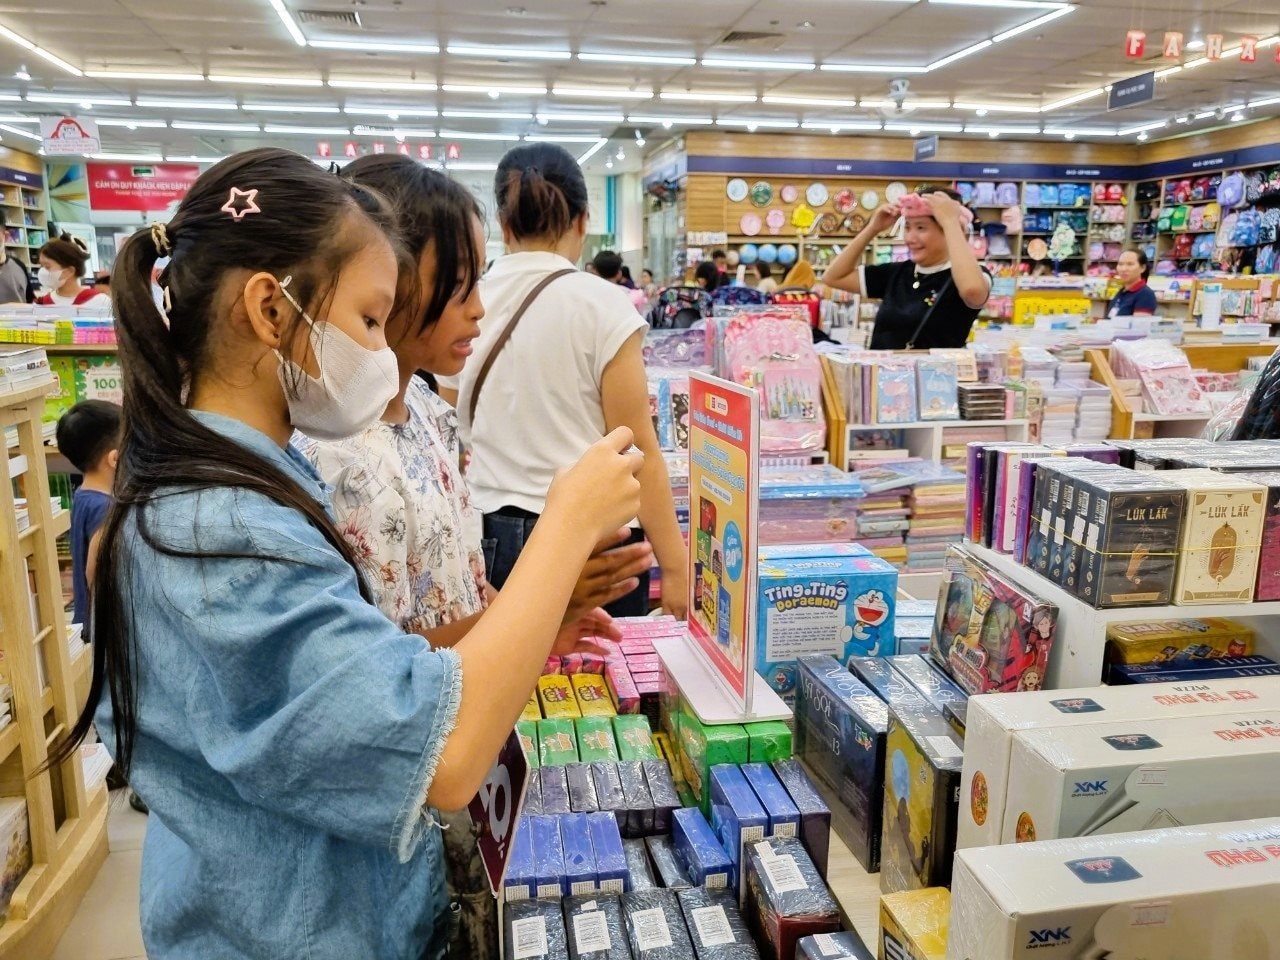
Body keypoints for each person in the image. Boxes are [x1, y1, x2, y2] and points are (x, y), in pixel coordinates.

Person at [56, 147, 643, 959]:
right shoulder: (224, 530)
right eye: (369, 321)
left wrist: (533, 623)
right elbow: (443, 756)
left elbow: (364, 673)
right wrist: (566, 524)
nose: (378, 352)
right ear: (269, 310)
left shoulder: (242, 481)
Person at [299, 155, 652, 958]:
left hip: (460, 792)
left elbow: (454, 594)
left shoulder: (422, 407)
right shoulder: (335, 455)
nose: (479, 310)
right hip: (407, 807)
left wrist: (538, 621)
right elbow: (375, 675)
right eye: (459, 288)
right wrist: (547, 572)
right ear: (386, 287)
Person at [438, 142, 687, 619]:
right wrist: (675, 569)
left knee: (510, 681)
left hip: (492, 529)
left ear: (504, 225)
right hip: (596, 531)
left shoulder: (466, 303)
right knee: (599, 683)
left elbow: (448, 430)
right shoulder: (605, 306)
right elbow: (638, 449)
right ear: (582, 220)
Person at [821, 187, 990, 350]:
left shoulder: (972, 276)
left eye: (921, 228)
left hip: (935, 379)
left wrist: (952, 222)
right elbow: (834, 277)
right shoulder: (898, 273)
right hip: (882, 377)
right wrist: (873, 228)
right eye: (908, 227)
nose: (910, 238)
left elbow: (972, 291)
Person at [55, 400, 119, 630]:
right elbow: (95, 567)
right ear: (115, 459)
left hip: (88, 620)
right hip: (105, 626)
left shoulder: (83, 495)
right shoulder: (106, 508)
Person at [36, 234, 110, 307]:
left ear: (70, 271)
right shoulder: (42, 303)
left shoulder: (100, 302)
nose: (42, 271)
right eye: (41, 266)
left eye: (47, 266)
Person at [1107, 249, 1158, 317]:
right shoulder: (1121, 291)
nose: (1123, 269)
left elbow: (1139, 325)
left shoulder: (1145, 294)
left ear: (1142, 268)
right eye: (1120, 264)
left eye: (1130, 264)